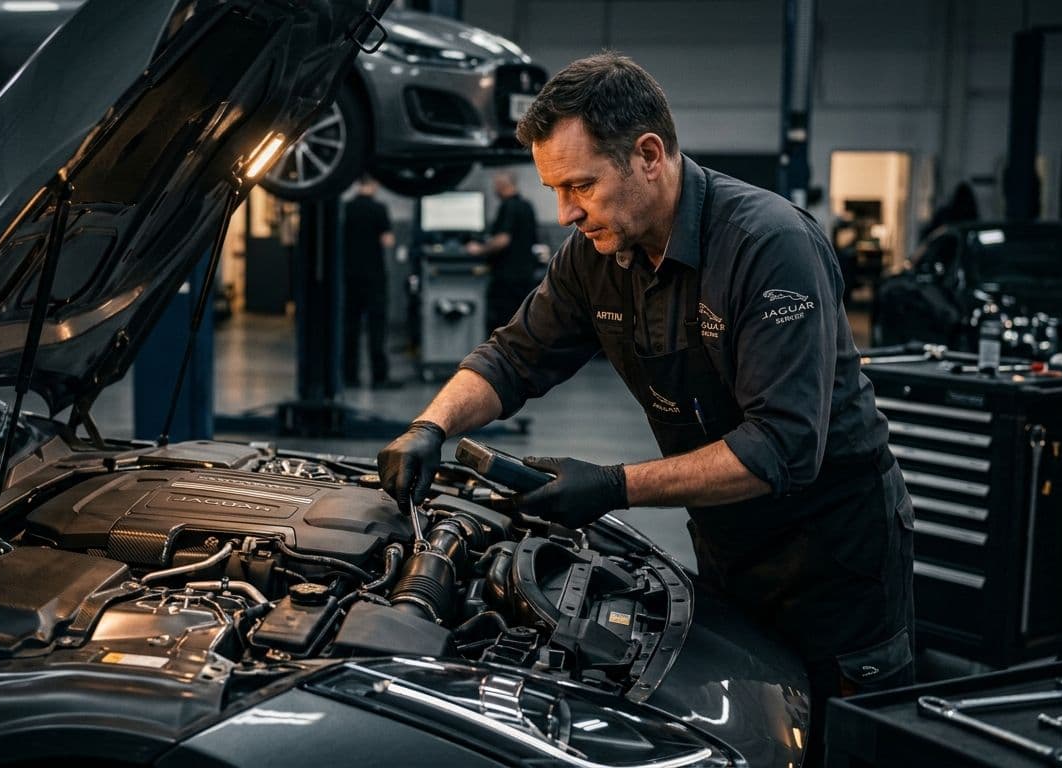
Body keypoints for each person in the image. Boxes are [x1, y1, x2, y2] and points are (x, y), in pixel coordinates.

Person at [377, 52, 913, 765]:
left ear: (649, 156)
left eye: (580, 186)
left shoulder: (767, 245)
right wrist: (430, 425)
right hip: (728, 542)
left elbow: (782, 447)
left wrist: (613, 485)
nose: (566, 211)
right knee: (757, 732)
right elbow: (513, 356)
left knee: (840, 744)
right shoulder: (594, 252)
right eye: (556, 189)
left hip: (834, 557)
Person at [341, 176, 398, 388]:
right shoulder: (379, 208)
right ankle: (379, 377)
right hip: (374, 276)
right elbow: (388, 240)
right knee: (377, 328)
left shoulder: (346, 208)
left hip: (349, 275)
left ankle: (349, 376)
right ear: (375, 184)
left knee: (350, 327)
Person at [466, 171, 539, 331]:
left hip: (507, 276)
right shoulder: (527, 206)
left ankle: (501, 356)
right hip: (525, 274)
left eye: (495, 185)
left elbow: (503, 239)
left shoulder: (508, 206)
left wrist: (480, 249)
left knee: (503, 323)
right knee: (520, 320)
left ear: (502, 185)